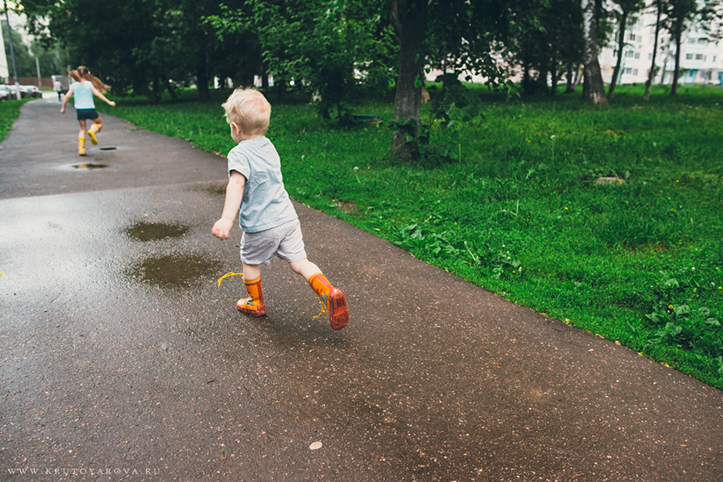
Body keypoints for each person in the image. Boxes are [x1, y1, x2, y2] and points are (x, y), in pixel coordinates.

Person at [212, 87, 349, 330]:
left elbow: (236, 183)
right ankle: (328, 291)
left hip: (261, 225)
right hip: (287, 219)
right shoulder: (269, 146)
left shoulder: (239, 153)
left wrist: (226, 219)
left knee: (249, 261)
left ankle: (256, 303)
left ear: (235, 127)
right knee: (300, 262)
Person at [60, 66, 116, 156]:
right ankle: (92, 131)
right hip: (90, 109)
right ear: (87, 74)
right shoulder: (89, 84)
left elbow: (66, 96)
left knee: (82, 129)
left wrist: (63, 107)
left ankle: (81, 149)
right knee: (99, 123)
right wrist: (108, 102)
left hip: (79, 110)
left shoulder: (74, 85)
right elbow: (97, 94)